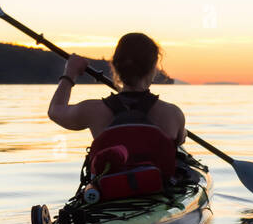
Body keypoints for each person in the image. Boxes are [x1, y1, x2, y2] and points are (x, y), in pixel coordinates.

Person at [47, 32, 186, 143]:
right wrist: (182, 132)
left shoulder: (92, 111)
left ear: (114, 66)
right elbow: (179, 140)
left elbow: (55, 111)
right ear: (153, 68)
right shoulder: (173, 114)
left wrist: (70, 74)